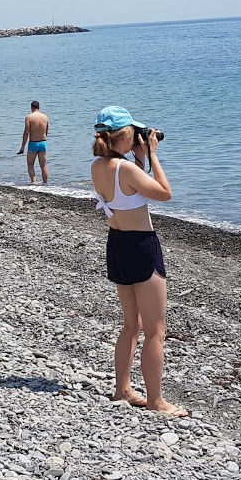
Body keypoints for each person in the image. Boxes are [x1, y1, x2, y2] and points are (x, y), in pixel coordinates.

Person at [91, 105, 187, 417]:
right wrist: (155, 155)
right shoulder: (127, 170)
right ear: (126, 135)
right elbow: (164, 193)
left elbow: (129, 192)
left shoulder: (99, 166)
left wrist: (140, 159)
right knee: (156, 330)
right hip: (142, 246)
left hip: (117, 244)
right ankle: (156, 401)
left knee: (132, 324)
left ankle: (122, 389)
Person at [17, 100, 50, 185]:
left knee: (30, 164)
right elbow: (46, 131)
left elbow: (26, 132)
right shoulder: (45, 117)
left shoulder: (29, 117)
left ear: (31, 107)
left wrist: (22, 146)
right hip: (43, 142)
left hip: (33, 143)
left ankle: (34, 183)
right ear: (39, 107)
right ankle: (45, 184)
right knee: (44, 165)